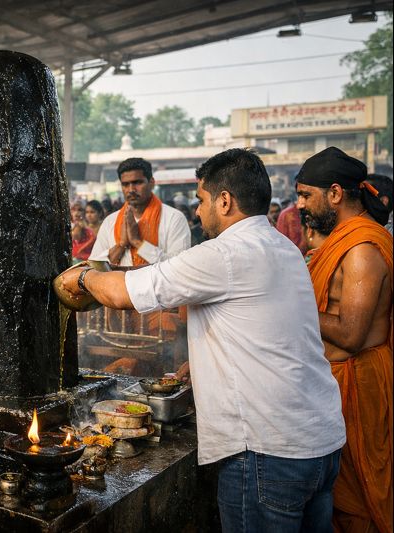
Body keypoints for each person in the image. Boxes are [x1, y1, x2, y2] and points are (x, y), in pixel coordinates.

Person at [60, 148, 345, 532]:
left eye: (202, 200)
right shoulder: (284, 248)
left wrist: (80, 278)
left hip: (267, 450)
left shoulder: (224, 253)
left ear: (224, 201)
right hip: (320, 442)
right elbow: (271, 329)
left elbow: (123, 293)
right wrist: (208, 360)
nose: (198, 211)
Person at [295, 147, 392, 533]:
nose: (299, 205)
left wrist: (293, 306)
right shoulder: (340, 240)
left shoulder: (362, 249)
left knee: (357, 506)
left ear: (335, 193)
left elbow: (351, 334)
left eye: (305, 195)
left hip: (357, 381)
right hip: (333, 381)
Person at [89, 158, 190, 267]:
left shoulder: (173, 218)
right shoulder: (110, 222)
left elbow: (180, 267)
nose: (131, 189)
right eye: (125, 184)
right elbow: (95, 265)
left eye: (137, 182)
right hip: (119, 284)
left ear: (151, 183)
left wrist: (137, 242)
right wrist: (121, 245)